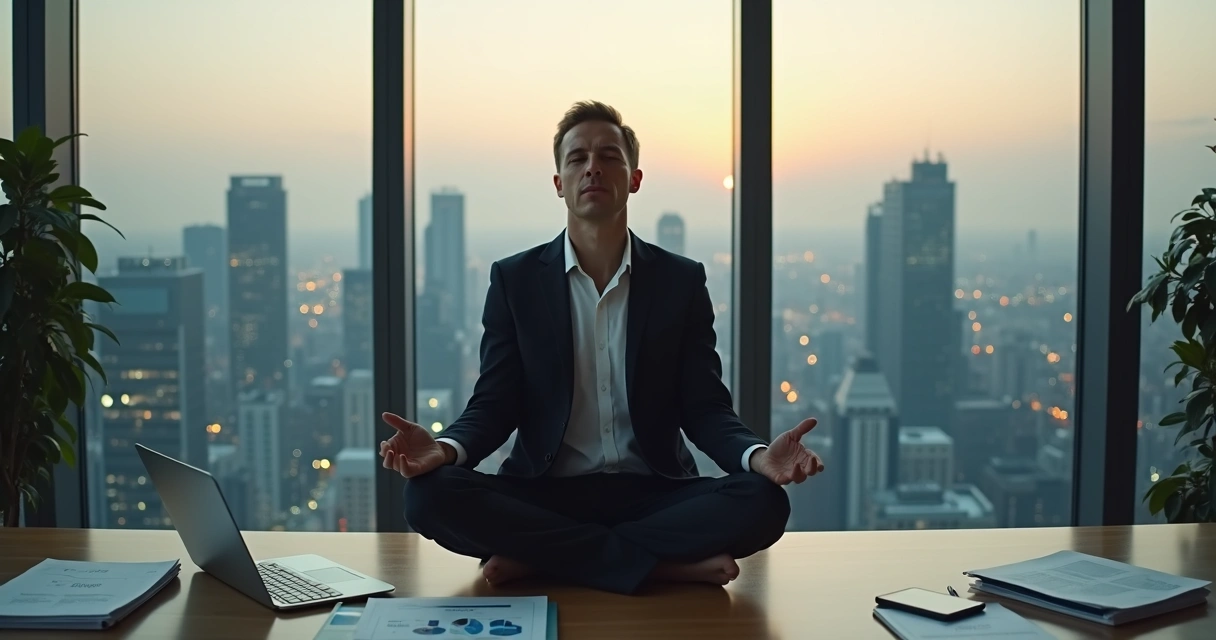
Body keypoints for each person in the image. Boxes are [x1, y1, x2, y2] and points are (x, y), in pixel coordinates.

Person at [379, 100, 824, 596]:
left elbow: (705, 408)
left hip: (656, 492)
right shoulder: (516, 280)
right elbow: (495, 403)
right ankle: (659, 568)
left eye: (609, 156)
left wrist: (756, 455)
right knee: (428, 497)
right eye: (577, 158)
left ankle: (544, 558)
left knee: (764, 504)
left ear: (634, 178)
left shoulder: (680, 281)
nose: (593, 166)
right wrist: (443, 449)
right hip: (544, 493)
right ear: (559, 184)